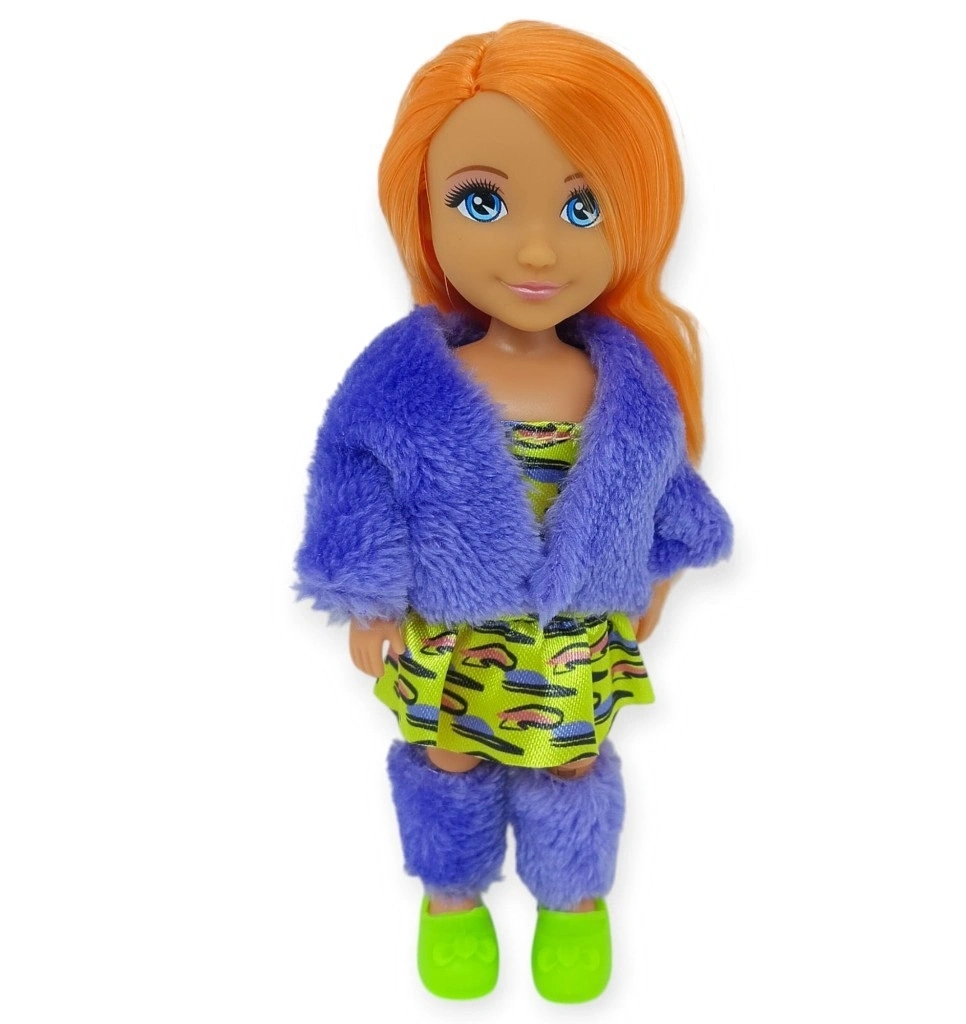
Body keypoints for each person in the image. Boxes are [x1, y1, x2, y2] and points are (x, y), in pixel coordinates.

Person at [295, 21, 732, 1002]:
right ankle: (450, 896)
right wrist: (367, 602)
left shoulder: (628, 385)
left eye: (583, 206)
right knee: (446, 753)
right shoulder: (407, 379)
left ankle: (572, 898)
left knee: (568, 761)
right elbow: (354, 482)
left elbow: (663, 495)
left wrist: (650, 584)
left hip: (571, 632)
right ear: (424, 209)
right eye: (483, 202)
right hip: (453, 631)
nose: (537, 247)